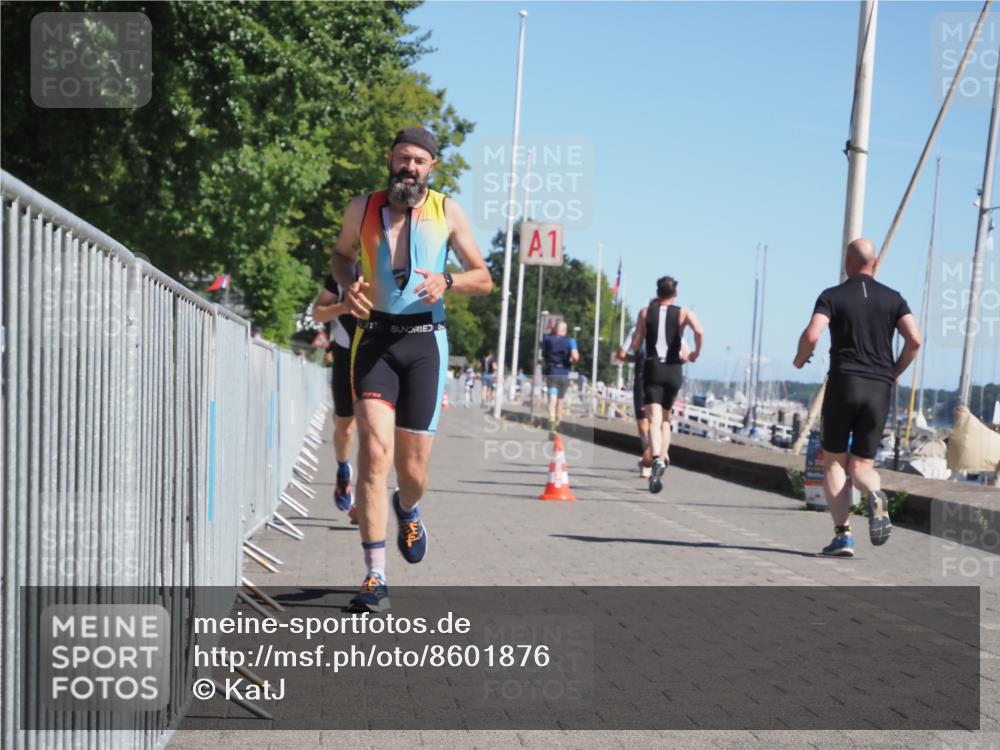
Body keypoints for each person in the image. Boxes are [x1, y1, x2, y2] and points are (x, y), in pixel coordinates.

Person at [330, 126, 492, 612]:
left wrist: (448, 279)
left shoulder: (447, 211)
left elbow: (484, 279)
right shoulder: (362, 207)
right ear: (390, 158)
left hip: (425, 343)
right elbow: (341, 257)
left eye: (419, 161)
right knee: (374, 454)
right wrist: (349, 285)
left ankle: (408, 507)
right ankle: (375, 575)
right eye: (403, 158)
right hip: (374, 338)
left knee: (412, 470)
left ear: (431, 167)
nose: (410, 167)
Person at [793, 237, 920, 557]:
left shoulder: (832, 296)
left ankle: (843, 536)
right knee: (863, 464)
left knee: (834, 460)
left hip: (844, 383)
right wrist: (894, 371)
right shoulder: (895, 299)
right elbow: (915, 340)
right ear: (874, 263)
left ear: (847, 263)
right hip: (880, 388)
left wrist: (800, 358)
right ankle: (875, 494)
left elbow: (812, 334)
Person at [624, 277, 703, 494]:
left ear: (657, 292)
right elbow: (699, 331)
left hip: (653, 368)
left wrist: (636, 346)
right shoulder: (684, 313)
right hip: (674, 370)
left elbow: (635, 343)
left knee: (654, 419)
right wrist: (696, 352)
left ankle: (657, 458)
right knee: (667, 420)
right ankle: (662, 458)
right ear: (675, 292)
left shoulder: (645, 312)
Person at [312, 273, 359, 524]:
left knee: (376, 431)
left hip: (378, 357)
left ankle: (364, 501)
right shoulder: (343, 273)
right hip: (344, 352)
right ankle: (343, 468)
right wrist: (343, 306)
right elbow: (317, 312)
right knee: (346, 427)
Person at [617, 323, 652, 479]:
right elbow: (684, 355)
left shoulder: (635, 330)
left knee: (645, 423)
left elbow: (621, 354)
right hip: (659, 376)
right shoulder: (668, 328)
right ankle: (654, 455)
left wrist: (635, 358)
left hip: (645, 376)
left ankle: (649, 460)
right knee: (650, 422)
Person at [540, 321, 579, 438]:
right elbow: (576, 357)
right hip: (564, 373)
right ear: (565, 331)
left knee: (552, 396)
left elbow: (542, 351)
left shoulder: (547, 339)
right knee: (560, 401)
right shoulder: (571, 341)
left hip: (552, 372)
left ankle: (551, 419)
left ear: (555, 330)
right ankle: (557, 423)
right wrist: (572, 361)